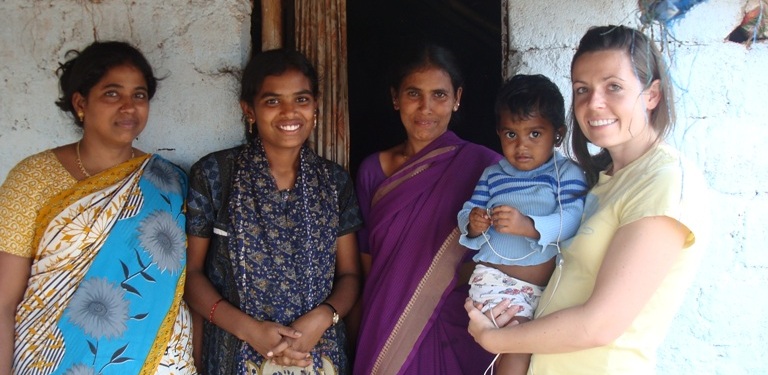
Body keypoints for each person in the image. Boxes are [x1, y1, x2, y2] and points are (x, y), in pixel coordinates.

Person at [465, 25, 710, 375]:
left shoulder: (664, 182)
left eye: (614, 87)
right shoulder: (599, 181)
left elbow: (600, 324)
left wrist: (495, 340)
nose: (594, 103)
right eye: (582, 89)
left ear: (652, 94)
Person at [0, 41, 195, 374]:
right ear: (80, 102)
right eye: (112, 94)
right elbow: (3, 303)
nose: (129, 107)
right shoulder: (33, 179)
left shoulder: (170, 182)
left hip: (159, 362)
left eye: (139, 95)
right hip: (54, 362)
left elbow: (180, 292)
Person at [184, 48, 362, 375]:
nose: (289, 112)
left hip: (318, 357)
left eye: (301, 100)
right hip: (233, 354)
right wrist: (250, 330)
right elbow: (192, 276)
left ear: (316, 105)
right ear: (248, 110)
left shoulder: (334, 182)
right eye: (272, 101)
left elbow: (350, 275)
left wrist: (323, 318)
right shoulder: (215, 174)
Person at [354, 43, 501, 374]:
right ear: (396, 98)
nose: (426, 107)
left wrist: (440, 281)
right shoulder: (371, 172)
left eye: (439, 95)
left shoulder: (486, 167)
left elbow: (508, 254)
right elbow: (368, 266)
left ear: (457, 98)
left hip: (457, 326)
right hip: (385, 326)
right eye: (413, 93)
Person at [457, 74, 587, 374]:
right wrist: (474, 223)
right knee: (519, 343)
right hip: (495, 283)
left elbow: (572, 219)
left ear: (557, 134)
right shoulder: (493, 175)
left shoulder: (566, 173)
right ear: (499, 133)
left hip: (546, 290)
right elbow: (467, 212)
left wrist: (528, 225)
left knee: (527, 351)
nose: (521, 146)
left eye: (534, 134)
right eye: (511, 135)